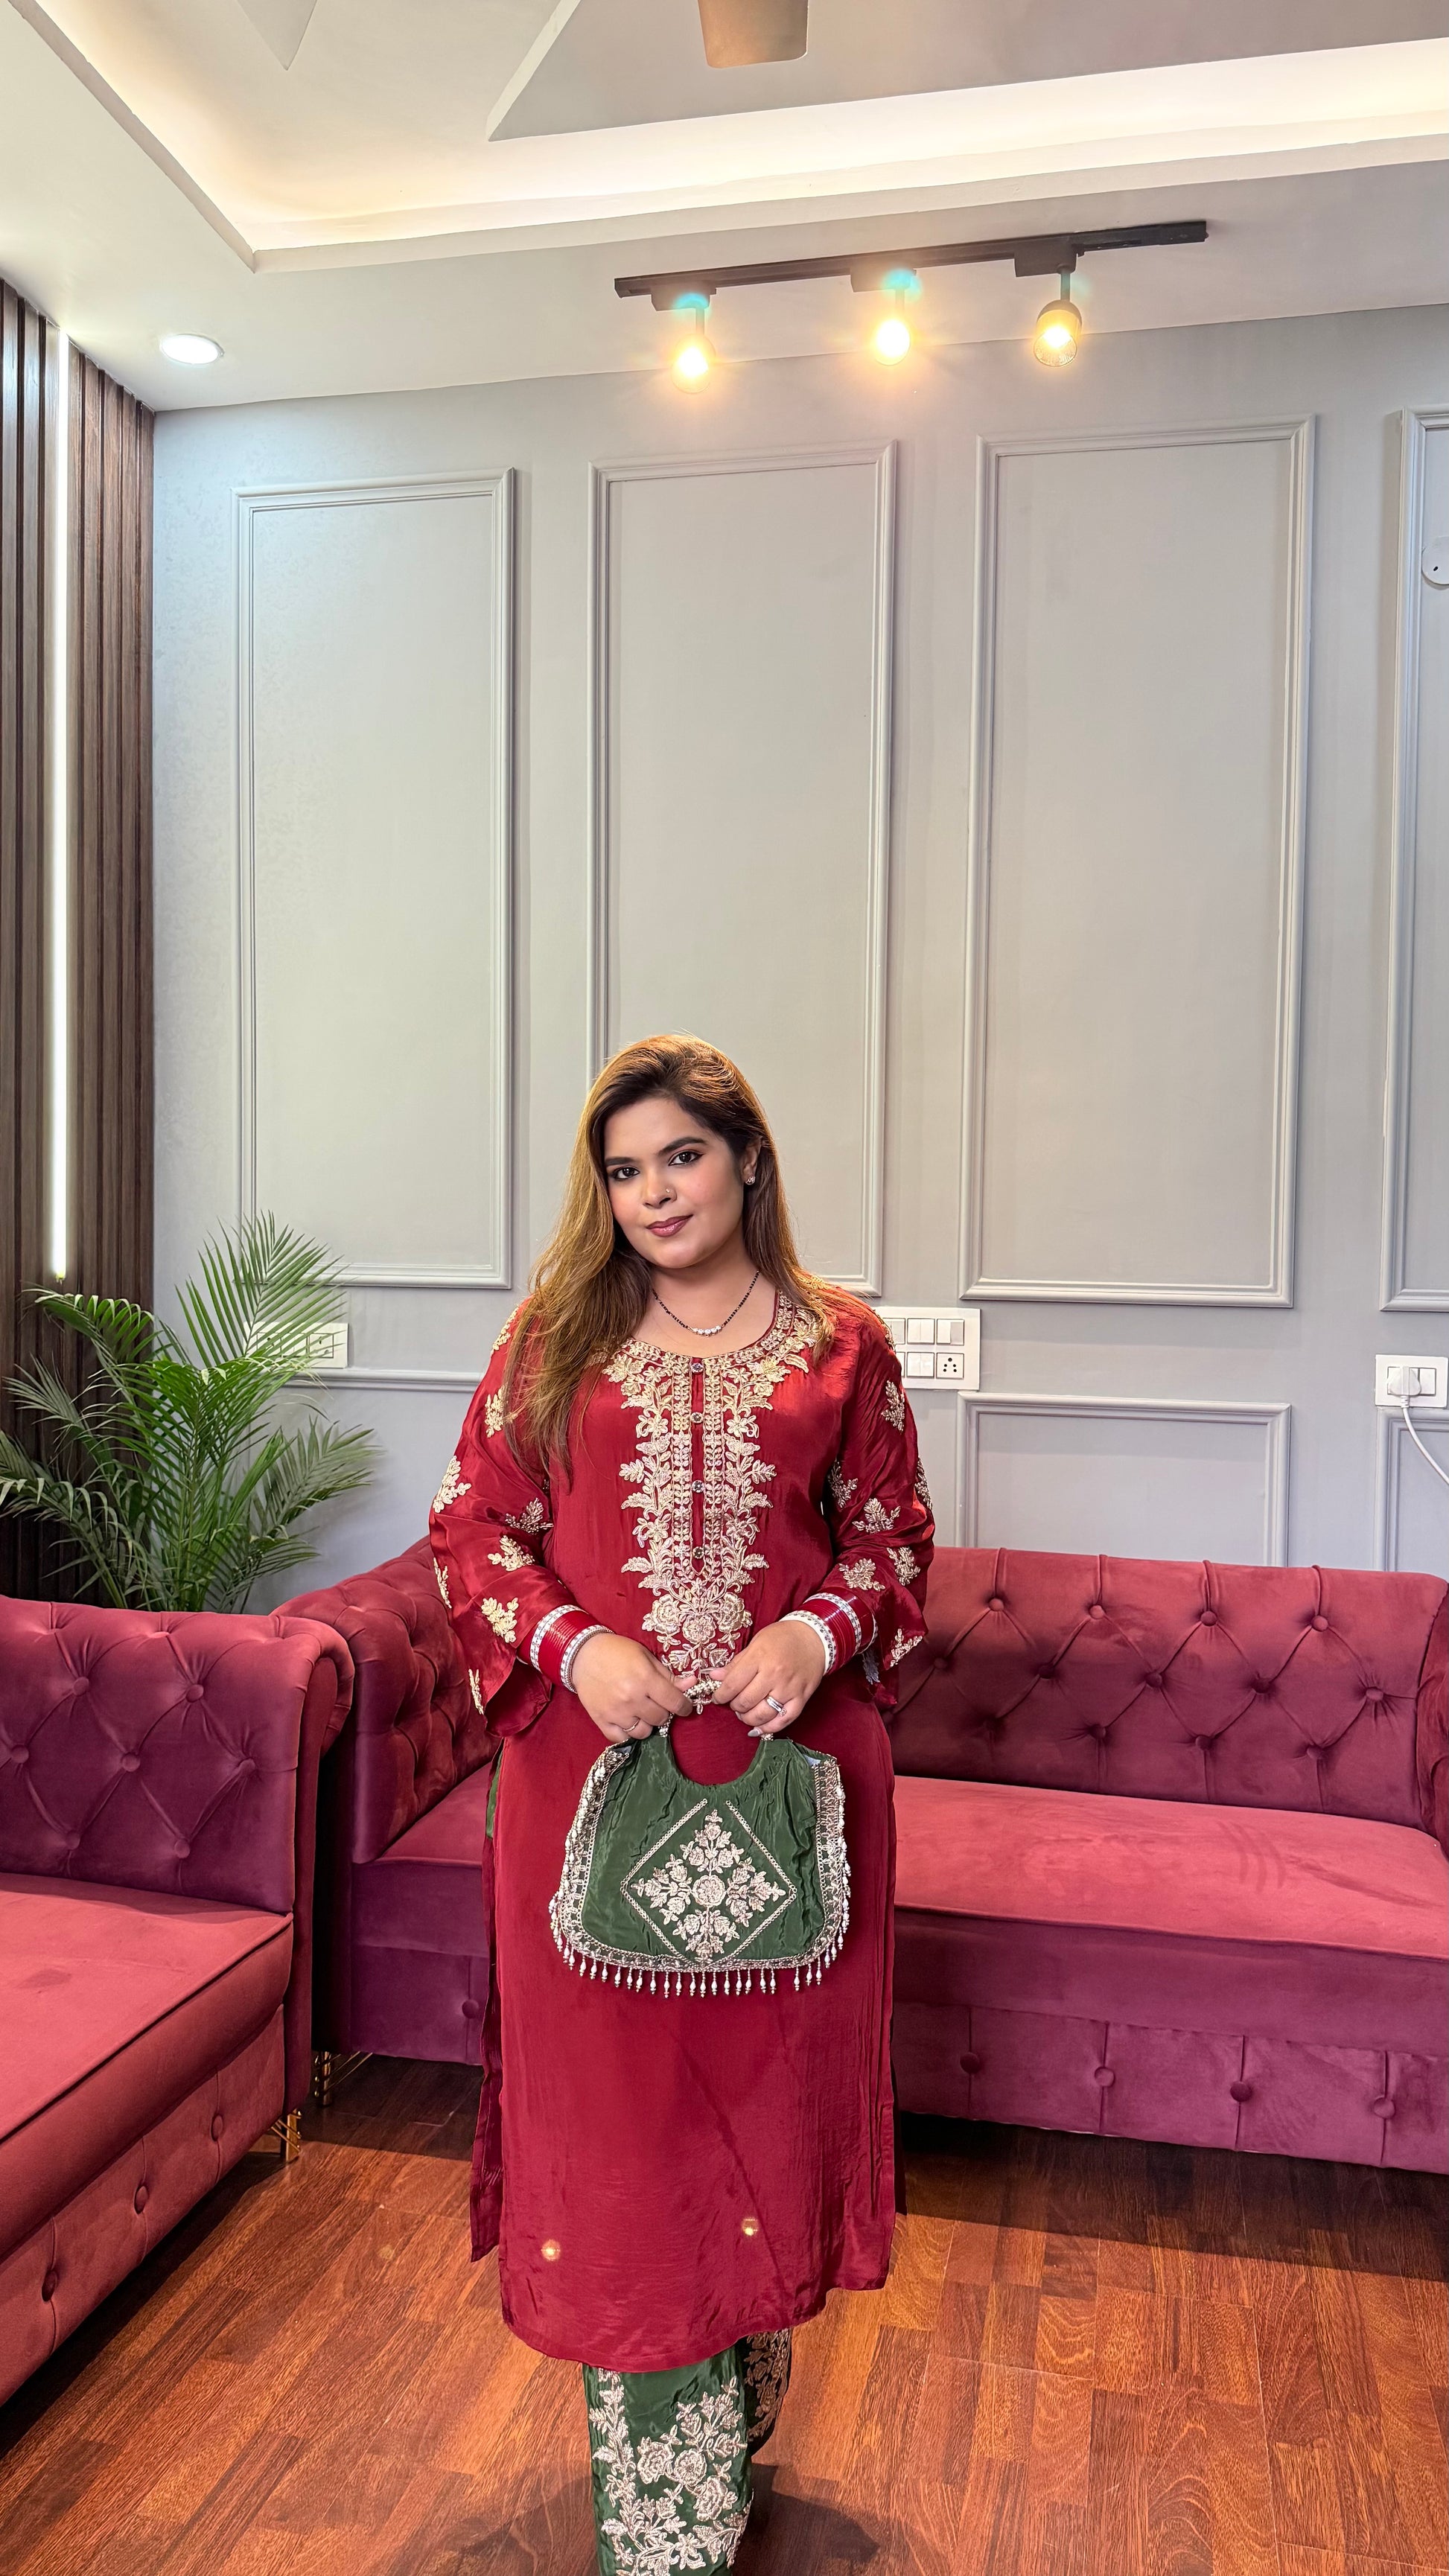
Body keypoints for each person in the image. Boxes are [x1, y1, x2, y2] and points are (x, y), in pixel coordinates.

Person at [430, 1034, 934, 2575]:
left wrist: (816, 1633)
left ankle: (735, 2386)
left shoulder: (844, 1345)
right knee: (623, 2143)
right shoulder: (552, 1340)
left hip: (790, 1793)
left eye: (681, 1156)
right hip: (588, 1786)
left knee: (759, 2123)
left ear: (747, 1159)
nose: (652, 1192)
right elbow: (472, 1529)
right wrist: (576, 1650)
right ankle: (666, 2526)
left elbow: (896, 1537)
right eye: (623, 1169)